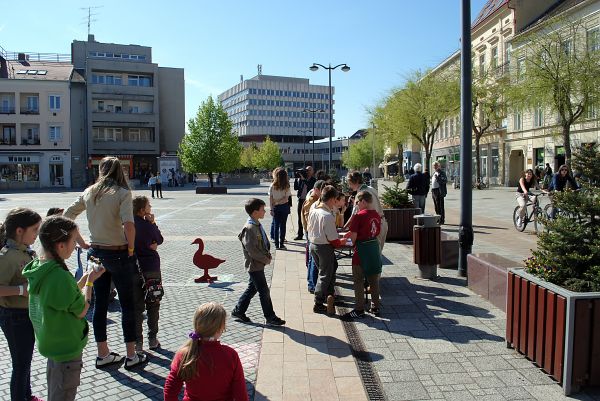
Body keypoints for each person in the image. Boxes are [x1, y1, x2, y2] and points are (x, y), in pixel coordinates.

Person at [63, 156, 147, 370]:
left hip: (96, 253)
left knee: (100, 305)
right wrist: (130, 249)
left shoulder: (89, 191)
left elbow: (66, 215)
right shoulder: (122, 193)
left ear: (101, 170)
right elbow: (129, 226)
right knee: (128, 305)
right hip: (119, 253)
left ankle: (103, 354)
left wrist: (81, 242)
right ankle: (131, 355)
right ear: (120, 171)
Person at [23, 216, 105, 401]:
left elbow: (62, 297)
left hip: (51, 343)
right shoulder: (59, 276)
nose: (75, 246)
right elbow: (82, 310)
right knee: (64, 394)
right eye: (74, 241)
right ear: (60, 245)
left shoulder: (41, 267)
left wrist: (84, 278)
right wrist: (90, 284)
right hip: (66, 349)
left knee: (55, 390)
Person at [164, 302, 248, 401]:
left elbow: (170, 388)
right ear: (221, 328)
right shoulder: (230, 355)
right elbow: (240, 392)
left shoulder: (185, 354)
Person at [0, 208, 43, 401]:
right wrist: (20, 290)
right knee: (20, 364)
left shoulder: (23, 251)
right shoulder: (7, 256)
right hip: (14, 316)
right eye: (34, 229)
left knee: (24, 362)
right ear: (19, 231)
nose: (37, 234)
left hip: (24, 313)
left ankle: (27, 396)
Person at [231, 198, 285, 326]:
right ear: (255, 212)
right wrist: (266, 259)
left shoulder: (256, 224)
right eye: (262, 209)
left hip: (258, 264)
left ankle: (238, 311)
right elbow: (252, 251)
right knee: (264, 291)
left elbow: (260, 244)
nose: (265, 211)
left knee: (252, 288)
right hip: (254, 265)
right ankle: (270, 317)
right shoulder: (250, 228)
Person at [343, 191, 382, 319]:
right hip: (373, 249)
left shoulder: (359, 216)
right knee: (373, 280)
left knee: (358, 280)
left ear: (364, 201)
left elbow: (353, 239)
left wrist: (344, 241)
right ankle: (375, 306)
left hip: (361, 250)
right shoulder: (376, 214)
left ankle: (359, 309)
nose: (357, 205)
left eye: (358, 203)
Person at [132, 196, 164, 352]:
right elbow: (159, 239)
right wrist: (152, 223)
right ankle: (152, 339)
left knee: (137, 306)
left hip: (133, 268)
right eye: (148, 205)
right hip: (151, 267)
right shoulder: (147, 225)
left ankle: (138, 343)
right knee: (153, 302)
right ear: (142, 210)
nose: (150, 207)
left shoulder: (127, 225)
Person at [308, 185, 343, 315]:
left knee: (330, 268)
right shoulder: (327, 215)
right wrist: (342, 241)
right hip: (324, 247)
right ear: (332, 199)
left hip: (313, 245)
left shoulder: (314, 209)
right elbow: (333, 239)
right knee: (325, 274)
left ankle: (329, 294)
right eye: (335, 200)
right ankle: (318, 302)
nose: (335, 203)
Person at [345, 171, 388, 253]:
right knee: (378, 254)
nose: (349, 186)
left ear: (356, 182)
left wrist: (344, 227)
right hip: (383, 223)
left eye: (350, 183)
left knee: (373, 256)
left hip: (374, 225)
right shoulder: (371, 189)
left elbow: (354, 215)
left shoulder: (360, 194)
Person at [301, 180, 326, 293]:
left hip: (313, 232)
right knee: (313, 259)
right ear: (316, 190)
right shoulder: (311, 201)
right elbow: (308, 220)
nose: (324, 192)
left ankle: (311, 282)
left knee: (313, 259)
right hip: (311, 232)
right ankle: (312, 284)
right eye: (322, 190)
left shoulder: (317, 199)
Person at [269, 168, 292, 250]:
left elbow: (270, 198)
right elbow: (286, 199)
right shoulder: (286, 186)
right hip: (284, 207)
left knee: (276, 226)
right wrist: (279, 202)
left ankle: (276, 245)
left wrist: (272, 208)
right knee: (283, 226)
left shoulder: (272, 185)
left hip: (275, 207)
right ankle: (281, 244)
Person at [293, 166, 316, 240]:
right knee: (300, 217)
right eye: (306, 170)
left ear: (312, 171)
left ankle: (310, 234)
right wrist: (297, 179)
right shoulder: (301, 179)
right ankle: (300, 234)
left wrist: (304, 180)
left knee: (309, 217)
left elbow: (310, 187)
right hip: (301, 200)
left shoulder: (313, 180)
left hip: (309, 201)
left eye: (309, 170)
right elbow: (296, 188)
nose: (307, 171)